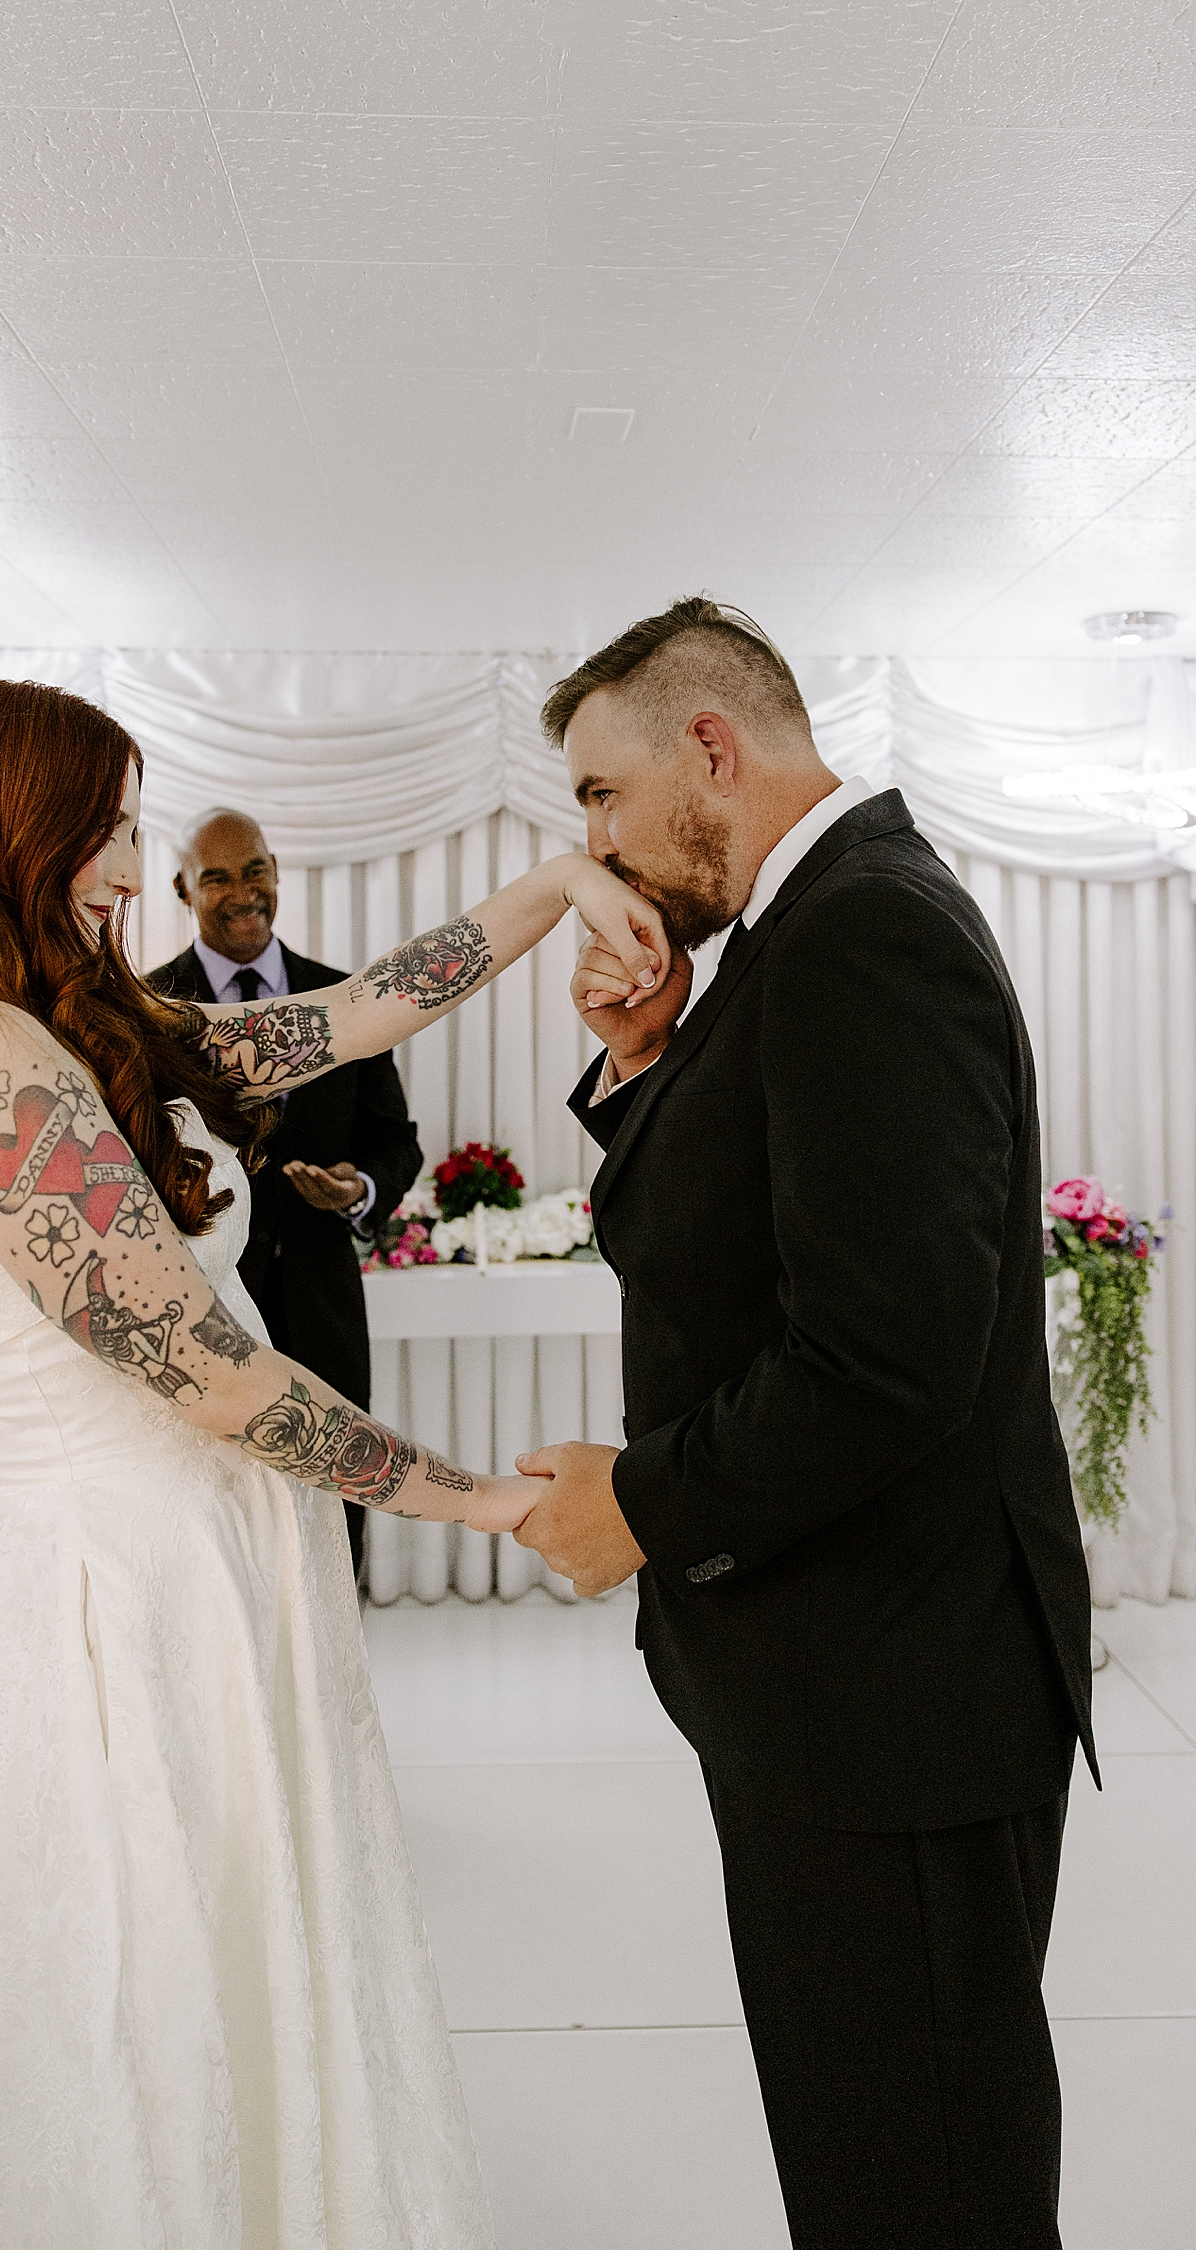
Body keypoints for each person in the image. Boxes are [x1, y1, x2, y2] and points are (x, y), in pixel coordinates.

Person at [0, 680, 668, 2247]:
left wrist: (553, 890)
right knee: (131, 2017)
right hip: (111, 1610)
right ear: (11, 835)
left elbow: (339, 1019)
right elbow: (218, 1379)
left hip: (187, 1575)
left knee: (204, 1995)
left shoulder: (55, 1027)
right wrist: (494, 1503)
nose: (136, 875)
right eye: (110, 832)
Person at [513, 597, 1097, 2250]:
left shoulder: (863, 928)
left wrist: (637, 1503)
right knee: (874, 2154)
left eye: (605, 797)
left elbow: (885, 1353)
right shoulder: (801, 931)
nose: (602, 846)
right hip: (854, 1678)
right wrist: (640, 1063)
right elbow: (736, 1243)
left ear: (713, 746)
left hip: (897, 1696)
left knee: (919, 2182)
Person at [148, 809, 422, 1579]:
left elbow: (394, 1141)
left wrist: (359, 1188)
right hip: (196, 1315)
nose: (244, 892)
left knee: (338, 1512)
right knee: (211, 1519)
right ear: (181, 889)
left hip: (320, 1303)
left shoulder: (348, 998)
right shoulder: (148, 1012)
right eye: (218, 877)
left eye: (256, 870)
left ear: (276, 873)